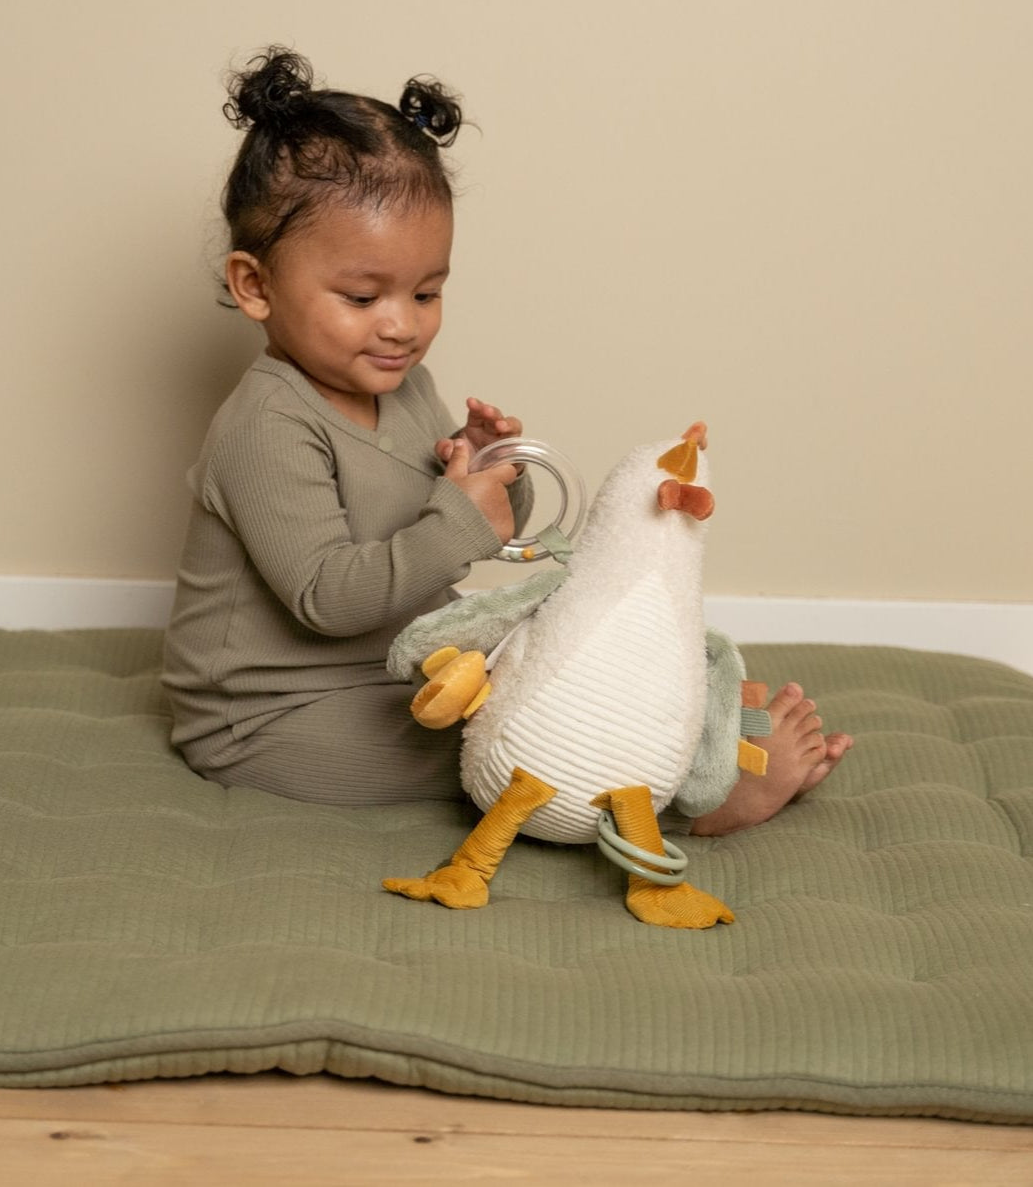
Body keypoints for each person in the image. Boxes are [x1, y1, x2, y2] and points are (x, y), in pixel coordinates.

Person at [162, 46, 851, 821]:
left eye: (425, 292)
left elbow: (449, 527)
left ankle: (692, 723)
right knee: (514, 736)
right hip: (273, 714)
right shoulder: (264, 427)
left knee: (554, 661)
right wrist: (459, 517)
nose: (401, 325)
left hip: (399, 665)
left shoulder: (403, 386)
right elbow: (330, 598)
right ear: (255, 285)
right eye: (361, 297)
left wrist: (491, 475)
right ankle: (683, 801)